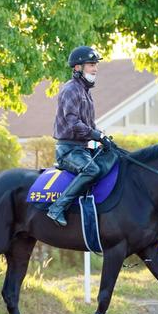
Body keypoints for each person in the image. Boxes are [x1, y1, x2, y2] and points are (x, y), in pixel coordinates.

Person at [47, 46, 112, 227]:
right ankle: (57, 208)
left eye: (95, 64)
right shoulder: (71, 90)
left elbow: (89, 125)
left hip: (81, 148)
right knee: (92, 170)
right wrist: (96, 135)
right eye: (91, 64)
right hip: (68, 151)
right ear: (77, 68)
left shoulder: (85, 92)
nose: (95, 68)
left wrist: (102, 139)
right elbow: (72, 123)